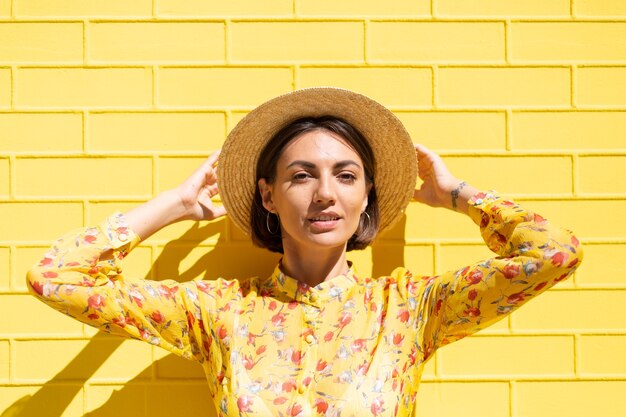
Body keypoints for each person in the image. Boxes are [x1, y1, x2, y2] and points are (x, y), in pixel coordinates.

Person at [27, 88, 583, 417]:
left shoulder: (413, 309)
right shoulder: (217, 312)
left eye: (345, 175)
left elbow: (555, 254)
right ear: (268, 194)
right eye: (301, 175)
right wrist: (173, 205)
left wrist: (459, 196)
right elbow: (56, 277)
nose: (325, 193)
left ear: (365, 193)